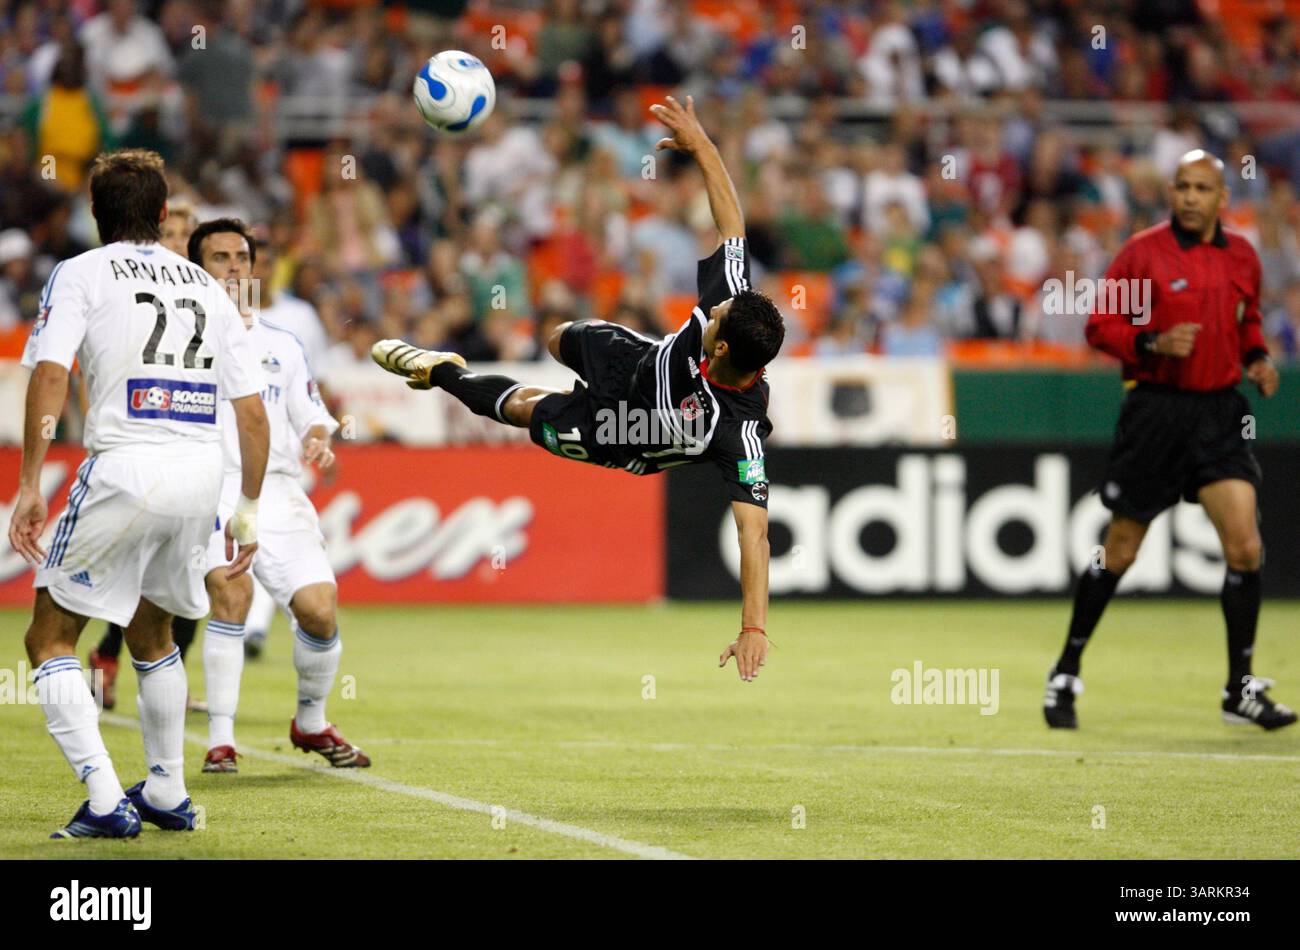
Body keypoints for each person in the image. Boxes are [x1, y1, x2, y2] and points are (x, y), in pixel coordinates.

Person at [373, 96, 784, 681]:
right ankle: (505, 364)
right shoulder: (737, 304)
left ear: (720, 350)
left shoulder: (739, 430)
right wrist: (703, 147)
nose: (711, 309)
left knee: (521, 409)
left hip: (621, 435)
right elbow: (732, 226)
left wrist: (752, 628)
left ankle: (441, 371)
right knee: (555, 336)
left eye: (714, 320)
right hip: (632, 360)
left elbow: (754, 532)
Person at [8, 149, 269, 838]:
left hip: (125, 466)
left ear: (95, 215)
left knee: (48, 636)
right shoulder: (209, 288)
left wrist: (30, 480)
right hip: (198, 477)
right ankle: (166, 789)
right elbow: (251, 412)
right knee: (153, 632)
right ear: (162, 216)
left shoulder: (81, 272)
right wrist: (245, 509)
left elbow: (52, 372)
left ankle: (102, 798)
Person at [1044, 149, 1296, 731]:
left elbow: (1247, 318)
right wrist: (1153, 342)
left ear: (1222, 198)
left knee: (1246, 547)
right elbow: (1100, 326)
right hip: (1156, 413)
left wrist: (1256, 358)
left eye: (1200, 188)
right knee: (1122, 548)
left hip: (1219, 413)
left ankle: (1240, 691)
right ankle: (1066, 669)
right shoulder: (1143, 253)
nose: (1188, 197)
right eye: (1181, 186)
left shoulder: (1242, 255)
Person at [187, 217, 367, 772]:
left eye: (242, 257)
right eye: (220, 257)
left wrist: (319, 438)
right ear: (196, 268)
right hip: (212, 486)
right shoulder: (183, 339)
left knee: (319, 610)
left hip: (279, 491)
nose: (235, 266)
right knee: (231, 596)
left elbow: (311, 412)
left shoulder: (282, 345)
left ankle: (310, 722)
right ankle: (221, 741)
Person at [88, 196, 204, 711]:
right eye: (172, 233)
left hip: (204, 453)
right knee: (141, 577)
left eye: (187, 235)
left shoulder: (206, 297)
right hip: (146, 447)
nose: (180, 243)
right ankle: (110, 661)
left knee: (196, 581)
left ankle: (163, 680)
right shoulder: (138, 294)